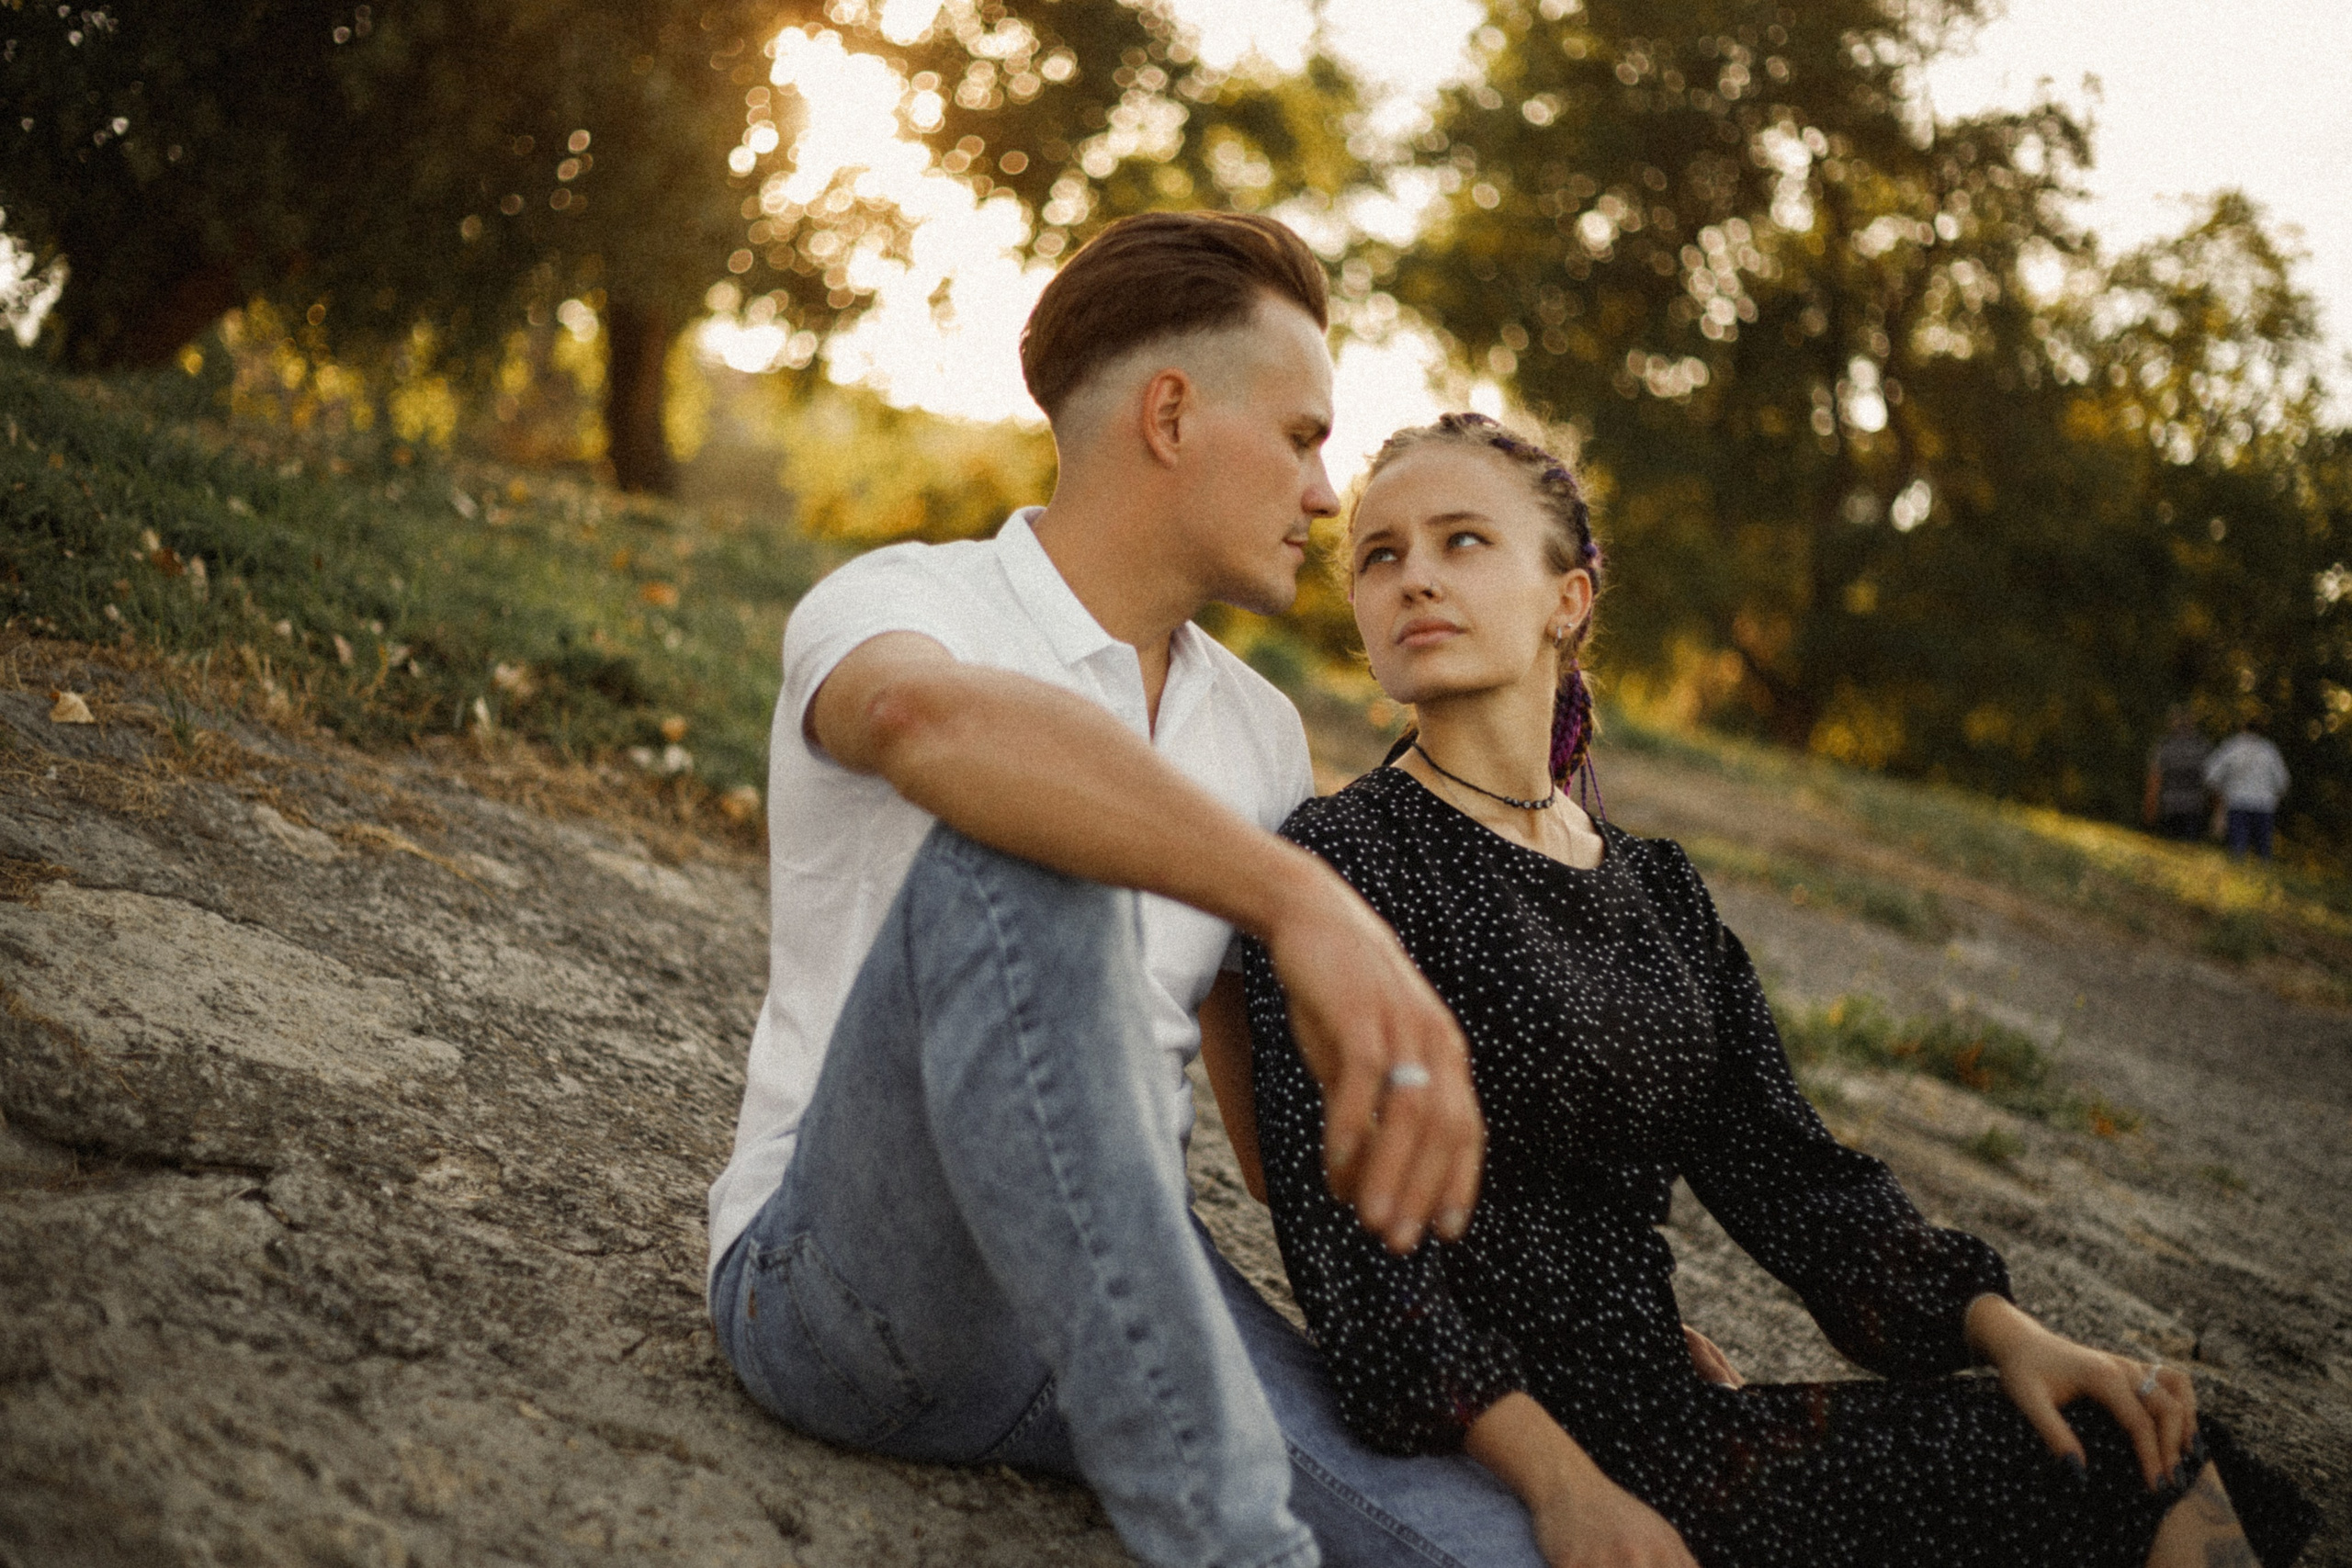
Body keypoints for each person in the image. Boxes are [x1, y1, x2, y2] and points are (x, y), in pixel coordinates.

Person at [1230, 413, 2315, 1568]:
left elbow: (1790, 1173)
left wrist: (2007, 1333)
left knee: (2148, 1444)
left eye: (1461, 542)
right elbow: (1353, 1263)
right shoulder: (1342, 864)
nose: (1414, 581)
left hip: (1681, 1422)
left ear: (1569, 599)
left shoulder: (1653, 886)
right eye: (1380, 555)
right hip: (1502, 1453)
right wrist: (1561, 1492)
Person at [707, 211, 1549, 1568]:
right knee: (1020, 843)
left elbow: (1286, 1140)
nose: (1329, 496)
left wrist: (1548, 1362)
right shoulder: (903, 602)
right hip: (854, 1290)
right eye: (1302, 437)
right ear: (1169, 413)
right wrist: (1307, 900)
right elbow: (926, 722)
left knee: (1512, 1547)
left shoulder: (1259, 733)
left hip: (1126, 1290)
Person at [2204, 719, 2290, 859]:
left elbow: (2211, 774)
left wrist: (2219, 795)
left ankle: (2239, 873)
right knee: (2263, 848)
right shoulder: (2269, 750)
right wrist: (2276, 798)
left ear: (2242, 728)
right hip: (2264, 805)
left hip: (2237, 802)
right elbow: (2283, 780)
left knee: (2238, 846)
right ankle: (2263, 875)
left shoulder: (2232, 747)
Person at [2143, 707, 2210, 841]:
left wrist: (2150, 808)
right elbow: (2211, 780)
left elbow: (2154, 779)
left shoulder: (2164, 746)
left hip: (2170, 805)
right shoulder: (2202, 746)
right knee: (2189, 848)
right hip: (2193, 806)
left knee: (2169, 845)